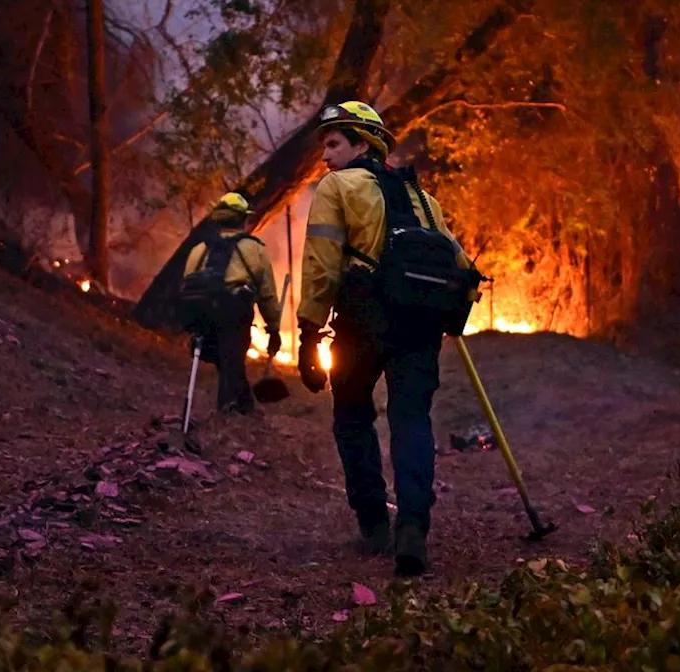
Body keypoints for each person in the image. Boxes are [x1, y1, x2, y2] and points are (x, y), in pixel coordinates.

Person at [296, 101, 480, 576]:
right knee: (412, 420)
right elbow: (461, 265)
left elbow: (321, 263)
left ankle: (375, 525)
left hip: (363, 320)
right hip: (421, 324)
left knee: (353, 416)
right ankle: (413, 528)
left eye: (334, 143)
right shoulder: (423, 198)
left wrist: (309, 330)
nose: (326, 156)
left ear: (363, 143)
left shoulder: (337, 187)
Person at [180, 192, 282, 416]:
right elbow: (267, 296)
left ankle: (245, 406)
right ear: (243, 220)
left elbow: (186, 286)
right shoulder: (254, 249)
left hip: (201, 313)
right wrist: (273, 329)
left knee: (229, 360)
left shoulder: (198, 250)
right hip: (233, 312)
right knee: (231, 358)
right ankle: (228, 409)